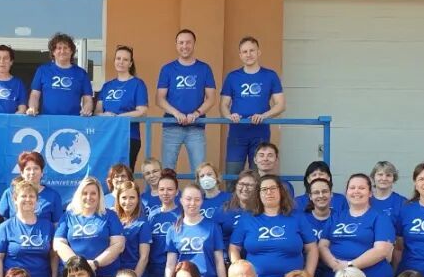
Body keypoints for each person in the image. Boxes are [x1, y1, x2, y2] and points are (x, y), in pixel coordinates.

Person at [230, 175, 317, 277]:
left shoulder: (297, 217)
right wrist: (241, 273)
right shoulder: (247, 218)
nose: (269, 192)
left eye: (273, 188)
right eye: (264, 189)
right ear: (258, 194)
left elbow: (312, 248)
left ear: (281, 191)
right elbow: (234, 248)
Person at [319, 174, 396, 277]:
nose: (356, 191)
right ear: (346, 192)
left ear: (370, 193)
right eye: (352, 188)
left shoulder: (380, 218)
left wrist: (349, 266)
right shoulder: (336, 217)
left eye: (361, 188)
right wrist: (334, 265)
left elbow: (381, 250)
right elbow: (322, 246)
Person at [220, 37, 286, 176]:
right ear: (240, 55)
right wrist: (229, 116)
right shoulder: (232, 77)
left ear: (258, 52)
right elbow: (223, 105)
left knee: (259, 176)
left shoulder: (270, 76)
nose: (248, 54)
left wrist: (264, 115)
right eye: (245, 52)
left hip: (260, 133)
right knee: (232, 176)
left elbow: (281, 105)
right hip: (237, 133)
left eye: (252, 50)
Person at [156, 29, 216, 172]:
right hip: (171, 125)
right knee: (167, 170)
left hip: (196, 126)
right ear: (176, 45)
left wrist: (196, 113)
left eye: (188, 42)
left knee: (200, 171)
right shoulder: (167, 69)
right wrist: (176, 113)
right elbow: (159, 99)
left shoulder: (204, 68)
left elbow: (211, 98)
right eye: (181, 42)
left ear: (194, 44)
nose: (184, 46)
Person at [54, 176, 125, 277]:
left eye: (93, 193)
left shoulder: (110, 216)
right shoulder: (68, 216)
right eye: (85, 193)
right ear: (79, 195)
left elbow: (118, 245)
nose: (89, 197)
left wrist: (95, 264)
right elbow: (58, 244)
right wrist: (78, 266)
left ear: (99, 196)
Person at [0, 180, 57, 277]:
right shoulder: (5, 227)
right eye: (23, 196)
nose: (28, 199)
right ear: (15, 199)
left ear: (37, 200)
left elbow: (54, 255)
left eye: (31, 196)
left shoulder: (48, 226)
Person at [165, 183, 226, 277]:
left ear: (202, 201)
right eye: (188, 199)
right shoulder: (173, 230)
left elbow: (219, 262)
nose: (192, 203)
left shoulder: (213, 227)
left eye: (197, 199)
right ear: (181, 201)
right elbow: (170, 265)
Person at [96, 45, 149, 169]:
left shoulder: (138, 84)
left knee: (125, 173)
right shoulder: (107, 86)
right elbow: (97, 111)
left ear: (130, 63)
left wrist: (119, 117)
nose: (121, 62)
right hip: (108, 136)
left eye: (125, 59)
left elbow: (142, 111)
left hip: (129, 137)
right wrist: (105, 115)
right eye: (118, 58)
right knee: (107, 173)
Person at [27, 33, 93, 117]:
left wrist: (87, 109)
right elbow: (35, 95)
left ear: (71, 51)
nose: (62, 51)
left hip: (73, 120)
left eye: (65, 48)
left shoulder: (81, 73)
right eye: (59, 48)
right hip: (48, 121)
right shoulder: (43, 70)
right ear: (53, 52)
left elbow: (88, 98)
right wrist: (32, 108)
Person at [0, 151, 65, 225]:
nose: (32, 172)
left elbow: (57, 225)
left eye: (36, 168)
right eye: (28, 169)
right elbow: (1, 222)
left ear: (42, 172)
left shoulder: (53, 196)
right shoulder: (10, 193)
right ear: (22, 173)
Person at [299, 177, 336, 277]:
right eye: (316, 192)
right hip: (307, 273)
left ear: (331, 194)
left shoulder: (340, 217)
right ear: (310, 196)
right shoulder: (301, 219)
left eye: (325, 191)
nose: (321, 195)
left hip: (333, 276)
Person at [146, 171, 180, 277]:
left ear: (177, 192)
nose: (165, 193)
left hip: (175, 270)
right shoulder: (153, 215)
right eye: (162, 189)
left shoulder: (182, 214)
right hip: (154, 271)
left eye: (170, 189)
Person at [112, 181, 150, 277]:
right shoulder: (113, 220)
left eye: (132, 197)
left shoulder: (142, 223)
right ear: (118, 199)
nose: (127, 201)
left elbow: (144, 258)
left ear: (138, 199)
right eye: (124, 197)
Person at [216, 169, 258, 263]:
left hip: (254, 261)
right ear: (236, 186)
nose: (245, 188)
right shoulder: (224, 209)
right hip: (228, 261)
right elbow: (215, 239)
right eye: (241, 184)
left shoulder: (261, 211)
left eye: (250, 185)